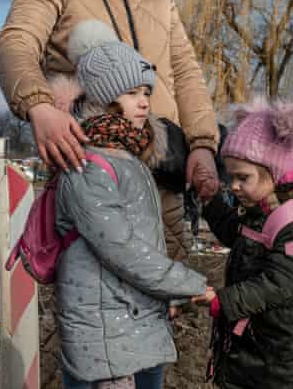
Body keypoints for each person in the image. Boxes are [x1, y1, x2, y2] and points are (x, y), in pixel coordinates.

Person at [0, 0, 220, 262]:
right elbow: (16, 42)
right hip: (93, 170)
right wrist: (39, 106)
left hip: (162, 175)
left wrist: (202, 143)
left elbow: (184, 69)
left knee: (163, 297)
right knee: (94, 301)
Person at [52, 21, 208, 389]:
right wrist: (185, 284)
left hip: (131, 320)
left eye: (146, 92)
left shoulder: (127, 157)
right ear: (105, 97)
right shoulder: (88, 164)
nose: (144, 101)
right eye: (132, 91)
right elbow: (121, 248)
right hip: (106, 332)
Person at [195, 98, 293, 389]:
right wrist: (210, 200)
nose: (234, 185)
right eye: (231, 177)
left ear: (275, 175)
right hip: (253, 349)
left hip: (284, 363)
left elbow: (276, 284)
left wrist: (222, 301)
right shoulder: (258, 214)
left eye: (243, 177)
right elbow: (234, 233)